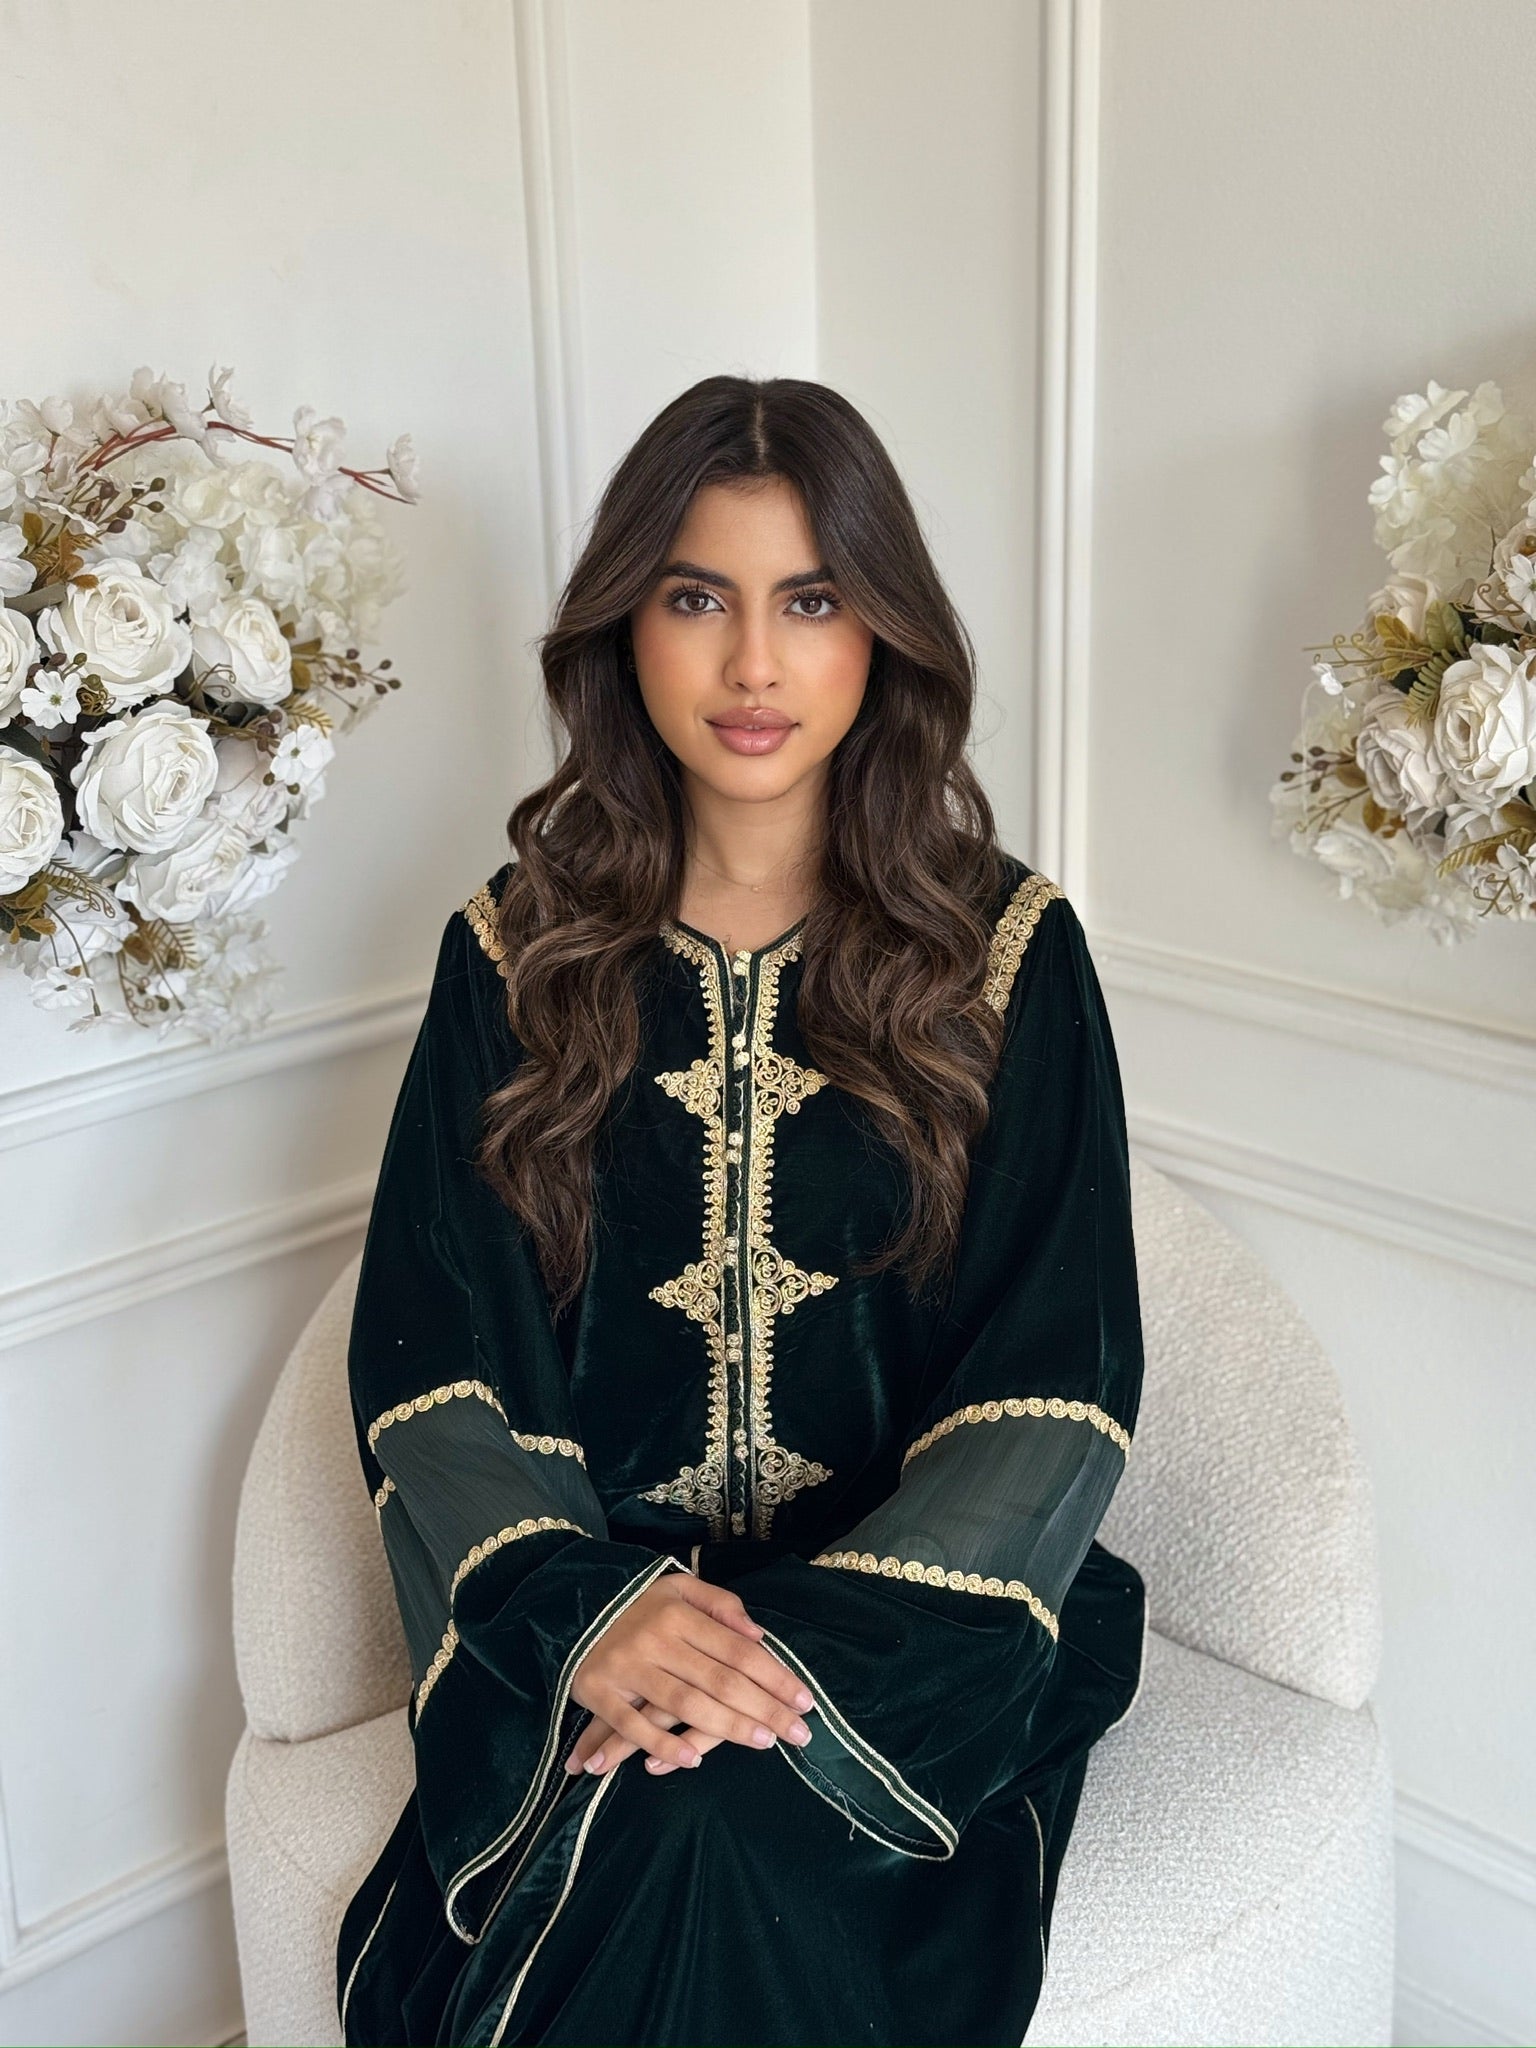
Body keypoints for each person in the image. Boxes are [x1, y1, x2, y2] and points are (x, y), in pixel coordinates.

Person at [336, 374, 1147, 2048]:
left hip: (916, 1631)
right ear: (627, 628)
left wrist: (776, 1668)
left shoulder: (1007, 956)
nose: (754, 665)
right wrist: (586, 1614)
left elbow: (1057, 1382)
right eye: (698, 597)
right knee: (664, 1813)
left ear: (886, 637)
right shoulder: (511, 953)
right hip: (591, 1604)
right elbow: (437, 1356)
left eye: (814, 601)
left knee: (697, 1819)